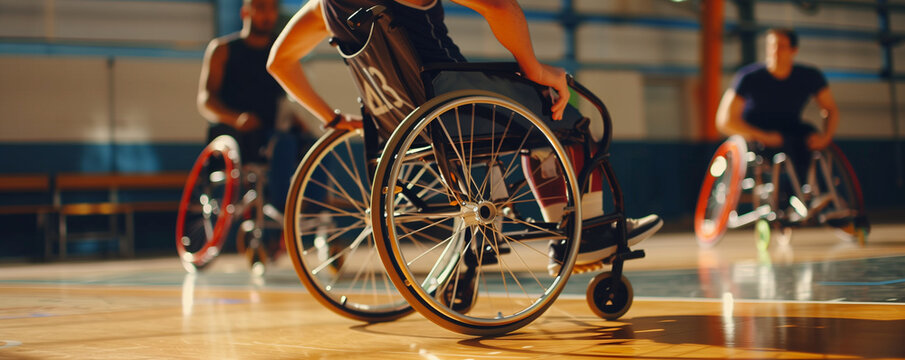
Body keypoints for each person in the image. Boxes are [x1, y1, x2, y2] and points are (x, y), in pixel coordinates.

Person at [266, 0, 661, 273]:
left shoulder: (326, 5)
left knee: (529, 119)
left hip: (404, 121)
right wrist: (534, 68)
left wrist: (330, 118)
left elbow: (278, 62)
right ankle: (587, 233)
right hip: (453, 103)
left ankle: (563, 233)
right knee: (559, 111)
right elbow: (500, 6)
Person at [197, 0, 311, 211]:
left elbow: (286, 97)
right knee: (283, 143)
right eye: (260, 7)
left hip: (271, 132)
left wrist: (296, 119)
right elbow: (205, 101)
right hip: (236, 133)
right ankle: (282, 210)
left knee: (314, 145)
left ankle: (317, 217)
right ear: (245, 12)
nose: (267, 15)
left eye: (272, 8)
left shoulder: (281, 53)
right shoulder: (222, 50)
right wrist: (235, 118)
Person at [716, 28, 840, 199]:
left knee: (809, 136)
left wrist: (826, 137)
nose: (774, 51)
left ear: (793, 50)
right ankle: (786, 197)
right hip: (756, 133)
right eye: (771, 46)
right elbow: (724, 120)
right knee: (786, 145)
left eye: (781, 46)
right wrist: (764, 136)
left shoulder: (809, 76)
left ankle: (821, 195)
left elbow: (830, 109)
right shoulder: (749, 77)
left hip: (789, 127)